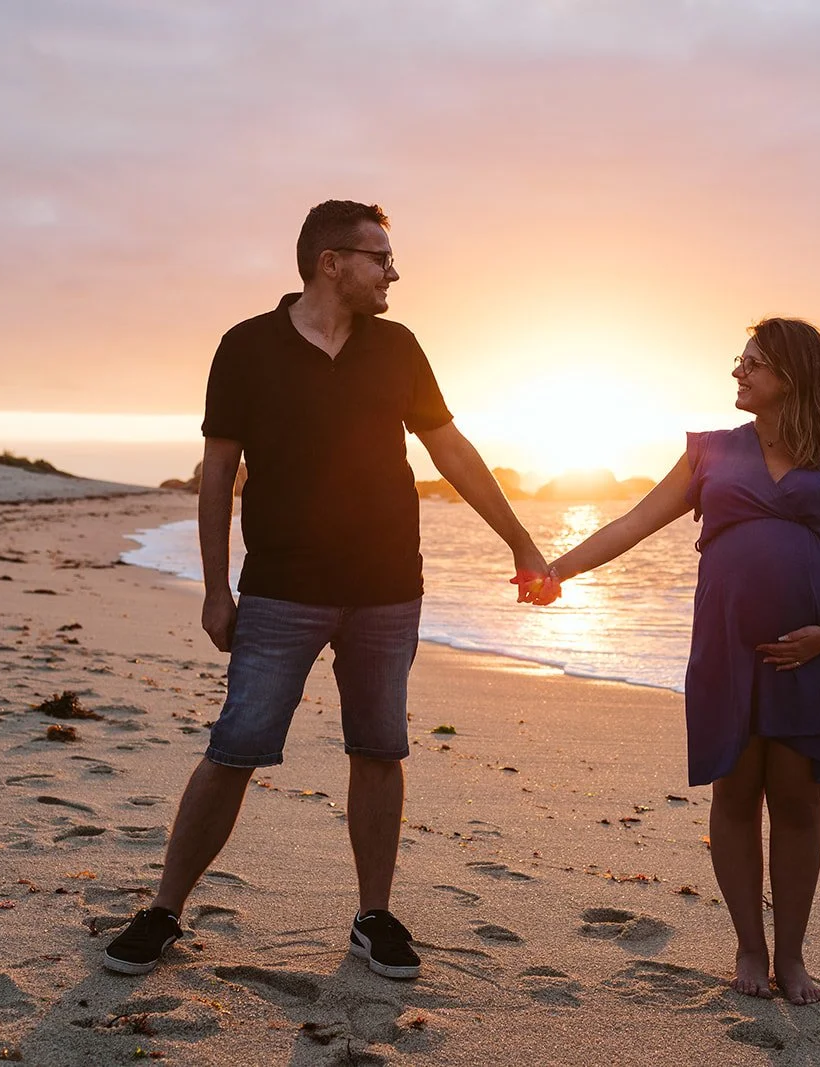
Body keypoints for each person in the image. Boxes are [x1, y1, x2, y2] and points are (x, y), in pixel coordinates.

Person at [106, 200, 550, 979]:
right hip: (281, 588)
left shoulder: (399, 347)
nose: (394, 273)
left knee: (379, 748)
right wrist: (217, 589)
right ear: (331, 262)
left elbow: (450, 448)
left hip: (387, 587)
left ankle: (372, 916)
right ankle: (165, 908)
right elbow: (218, 475)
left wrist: (518, 538)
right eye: (382, 258)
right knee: (234, 748)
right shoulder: (245, 347)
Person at [528, 318, 820, 1004]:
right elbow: (634, 522)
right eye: (739, 361)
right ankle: (750, 944)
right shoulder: (711, 452)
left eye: (752, 364)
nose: (738, 373)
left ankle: (792, 956)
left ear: (792, 375)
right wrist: (559, 569)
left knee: (797, 802)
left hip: (812, 655)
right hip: (727, 651)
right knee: (735, 792)